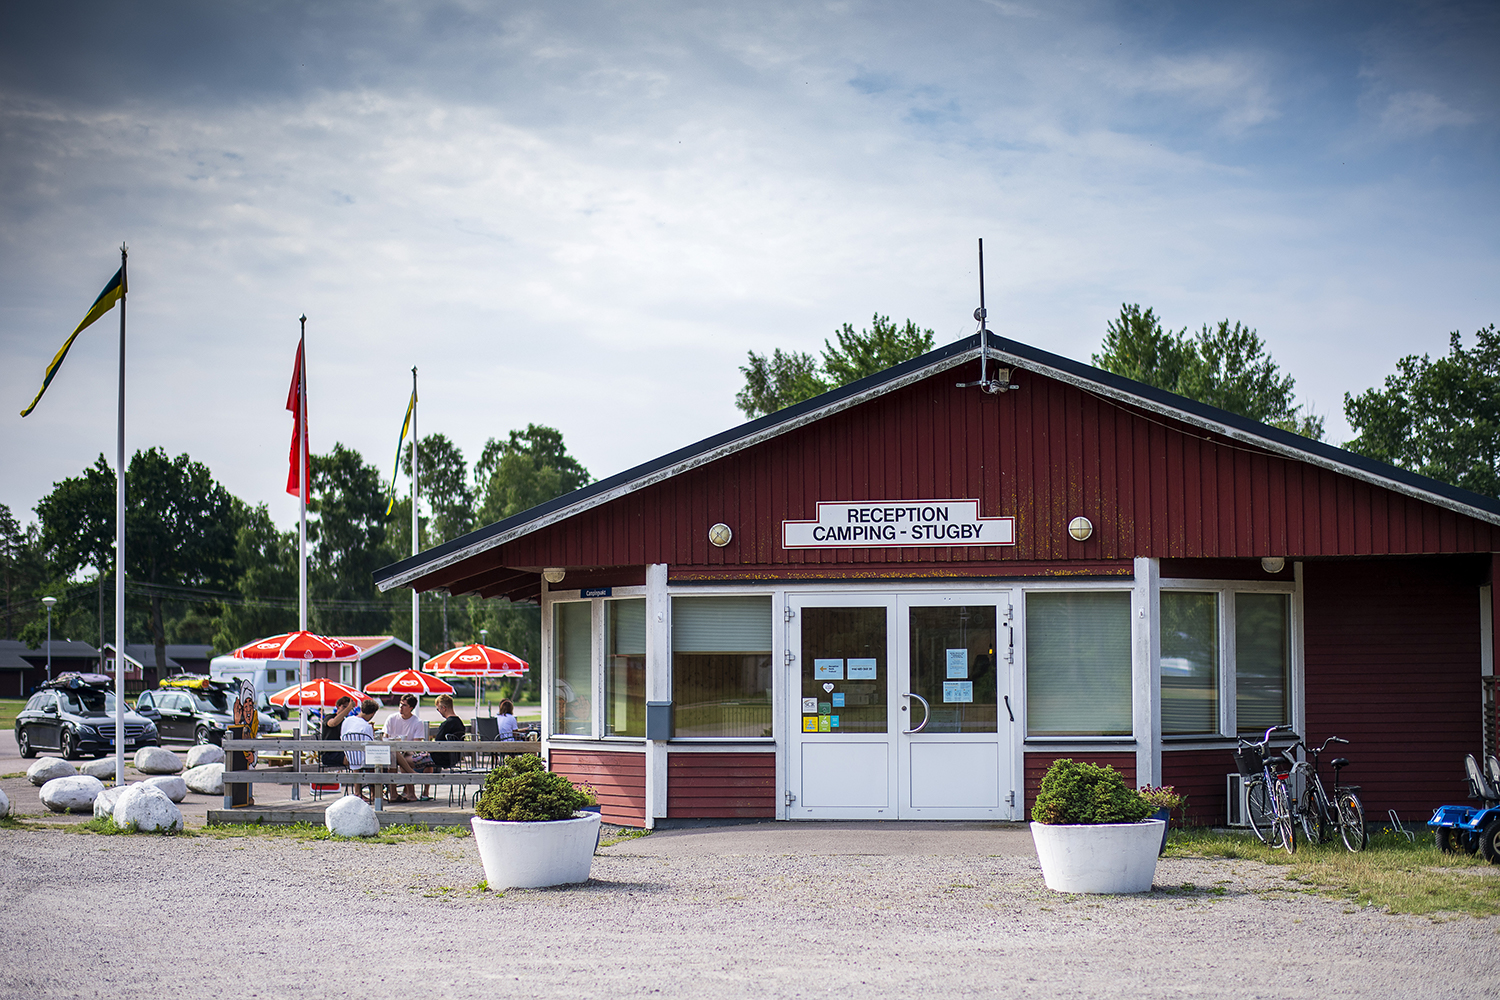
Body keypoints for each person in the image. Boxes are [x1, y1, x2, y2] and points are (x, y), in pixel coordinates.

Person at [383, 693, 432, 802]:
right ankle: (402, 792)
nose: (401, 707)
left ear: (411, 708)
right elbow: (385, 736)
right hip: (391, 753)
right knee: (395, 758)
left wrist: (405, 750)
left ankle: (406, 793)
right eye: (400, 704)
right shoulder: (391, 718)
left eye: (404, 705)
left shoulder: (417, 722)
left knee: (401, 760)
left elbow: (416, 745)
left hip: (409, 753)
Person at [340, 698, 380, 802]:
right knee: (379, 762)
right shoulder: (367, 726)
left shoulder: (347, 721)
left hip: (349, 756)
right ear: (372, 714)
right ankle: (375, 793)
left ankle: (358, 792)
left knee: (359, 759)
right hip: (363, 759)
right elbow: (371, 745)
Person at [432, 693, 466, 770]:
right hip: (454, 758)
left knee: (408, 761)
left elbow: (437, 743)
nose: (439, 711)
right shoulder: (460, 723)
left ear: (444, 708)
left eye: (438, 709)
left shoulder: (446, 724)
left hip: (440, 758)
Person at [321, 697, 355, 767]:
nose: (346, 710)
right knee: (352, 759)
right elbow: (333, 723)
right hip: (329, 753)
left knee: (357, 757)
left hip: (341, 751)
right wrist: (348, 709)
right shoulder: (329, 717)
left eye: (348, 708)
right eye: (344, 707)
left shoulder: (345, 721)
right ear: (338, 707)